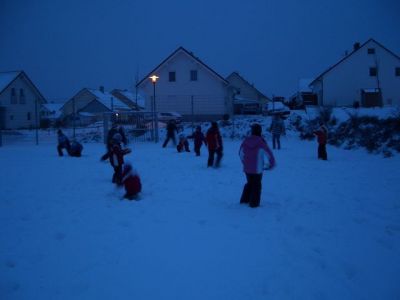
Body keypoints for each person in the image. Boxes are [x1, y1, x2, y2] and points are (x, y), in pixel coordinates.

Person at [239, 123, 276, 208]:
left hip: (247, 169)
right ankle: (254, 204)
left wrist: (245, 163)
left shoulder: (245, 141)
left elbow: (240, 153)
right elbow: (269, 155)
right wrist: (271, 165)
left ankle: (245, 200)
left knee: (249, 183)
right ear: (260, 131)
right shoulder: (261, 142)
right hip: (257, 169)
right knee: (257, 185)